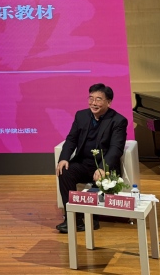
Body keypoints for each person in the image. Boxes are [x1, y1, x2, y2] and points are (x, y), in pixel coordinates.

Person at [55, 83, 128, 234]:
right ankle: (73, 219)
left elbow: (116, 148)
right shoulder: (81, 116)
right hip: (83, 164)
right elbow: (71, 139)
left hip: (103, 166)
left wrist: (103, 168)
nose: (93, 103)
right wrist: (63, 158)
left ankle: (92, 218)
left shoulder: (118, 121)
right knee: (65, 172)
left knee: (101, 179)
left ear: (109, 102)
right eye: (91, 98)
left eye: (98, 99)